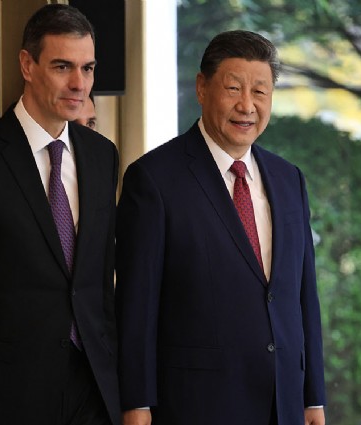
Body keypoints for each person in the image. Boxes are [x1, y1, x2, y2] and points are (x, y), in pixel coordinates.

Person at [115, 30, 326, 425]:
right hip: (198, 405)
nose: (247, 105)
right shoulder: (154, 179)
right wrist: (137, 404)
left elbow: (303, 297)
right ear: (202, 88)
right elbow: (136, 306)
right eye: (233, 88)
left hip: (283, 405)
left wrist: (313, 396)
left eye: (260, 92)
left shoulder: (289, 179)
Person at [0, 4, 120, 425]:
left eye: (87, 68)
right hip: (9, 397)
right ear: (27, 65)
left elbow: (100, 284)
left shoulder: (102, 155)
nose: (78, 83)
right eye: (62, 67)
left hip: (95, 391)